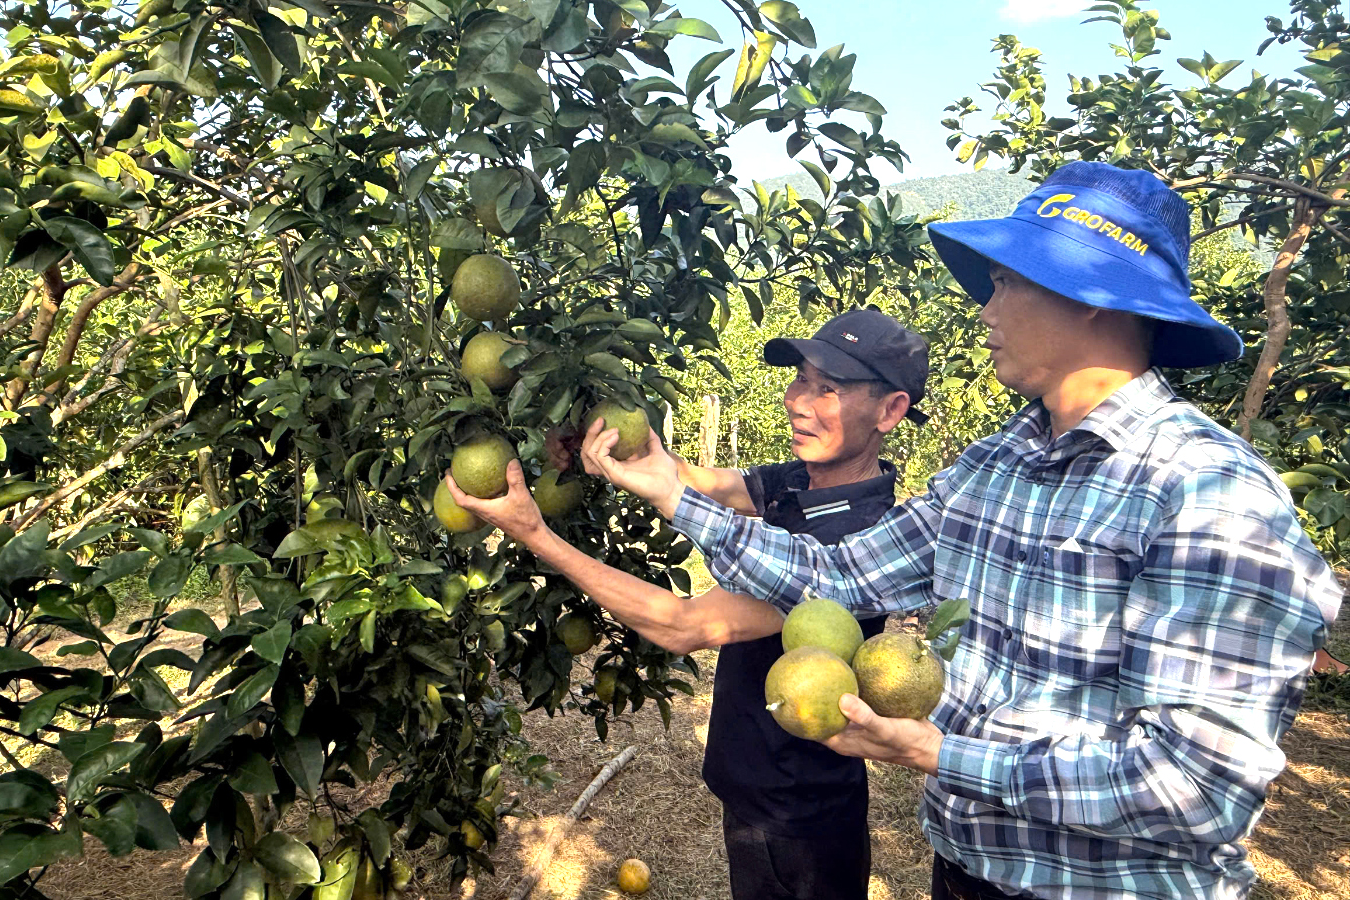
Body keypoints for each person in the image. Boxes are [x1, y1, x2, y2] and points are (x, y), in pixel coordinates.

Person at [571, 162, 1344, 900]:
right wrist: (670, 489)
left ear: (1095, 297)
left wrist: (943, 755)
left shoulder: (1208, 494)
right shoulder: (996, 466)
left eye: (1006, 282)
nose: (986, 308)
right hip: (967, 875)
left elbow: (1196, 788)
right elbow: (840, 579)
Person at [446, 308, 932, 900]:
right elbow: (702, 480)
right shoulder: (806, 478)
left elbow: (682, 625)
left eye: (826, 388)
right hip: (759, 785)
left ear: (891, 410)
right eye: (801, 378)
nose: (796, 400)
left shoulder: (854, 544)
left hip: (794, 816)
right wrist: (610, 451)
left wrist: (537, 536)